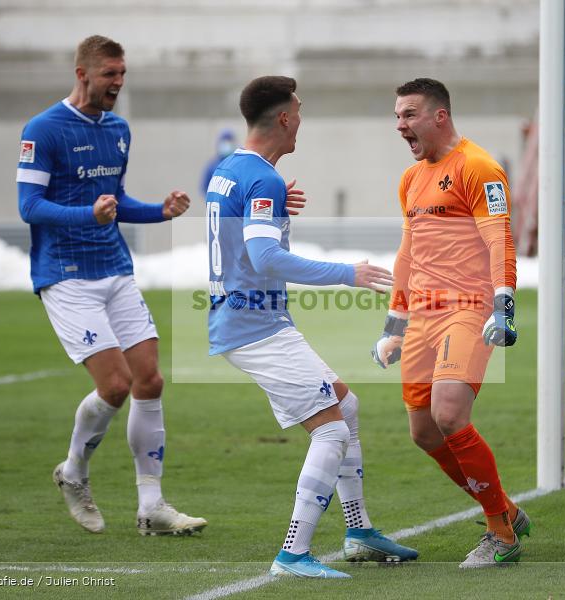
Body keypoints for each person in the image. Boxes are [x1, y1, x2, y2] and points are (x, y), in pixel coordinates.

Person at [204, 75, 418, 579]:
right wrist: (348, 274)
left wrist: (273, 205)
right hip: (254, 326)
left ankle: (358, 531)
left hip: (246, 320)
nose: (301, 119)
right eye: (298, 110)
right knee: (331, 429)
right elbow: (265, 257)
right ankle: (292, 553)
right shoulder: (262, 180)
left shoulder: (231, 170)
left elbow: (242, 227)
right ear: (283, 118)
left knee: (347, 406)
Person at [16, 35, 206, 536]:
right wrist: (88, 214)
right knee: (115, 385)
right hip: (65, 275)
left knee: (150, 380)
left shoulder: (119, 129)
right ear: (82, 74)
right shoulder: (43, 129)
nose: (118, 83)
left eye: (122, 74)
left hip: (115, 270)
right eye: (109, 74)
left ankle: (152, 506)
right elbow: (29, 207)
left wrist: (159, 211)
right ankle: (74, 472)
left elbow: (115, 201)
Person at [372, 78, 531, 568]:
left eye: (409, 115)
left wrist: (503, 306)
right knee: (424, 432)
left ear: (439, 116)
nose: (400, 125)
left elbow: (500, 240)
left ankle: (501, 534)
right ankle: (505, 508)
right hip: (422, 315)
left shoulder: (479, 168)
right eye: (397, 116)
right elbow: (408, 252)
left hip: (469, 307)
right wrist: (394, 325)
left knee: (449, 414)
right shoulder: (410, 179)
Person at [199, 128, 238, 195]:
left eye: (229, 141)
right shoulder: (212, 165)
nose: (227, 145)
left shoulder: (237, 163)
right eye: (224, 142)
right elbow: (205, 186)